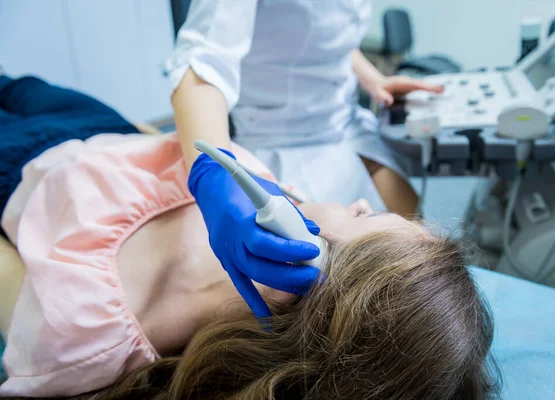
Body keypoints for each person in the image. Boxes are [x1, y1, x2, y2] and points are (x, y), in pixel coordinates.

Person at [0, 76, 500, 398]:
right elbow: (168, 138)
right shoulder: (263, 205)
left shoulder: (88, 336)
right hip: (93, 125)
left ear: (309, 270)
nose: (362, 202)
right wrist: (206, 166)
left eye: (366, 218)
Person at [168, 0, 444, 318]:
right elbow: (203, 58)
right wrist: (212, 175)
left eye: (364, 215)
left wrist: (372, 78)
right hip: (282, 141)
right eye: (364, 215)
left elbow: (332, 31)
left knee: (416, 254)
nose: (364, 206)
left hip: (348, 125)